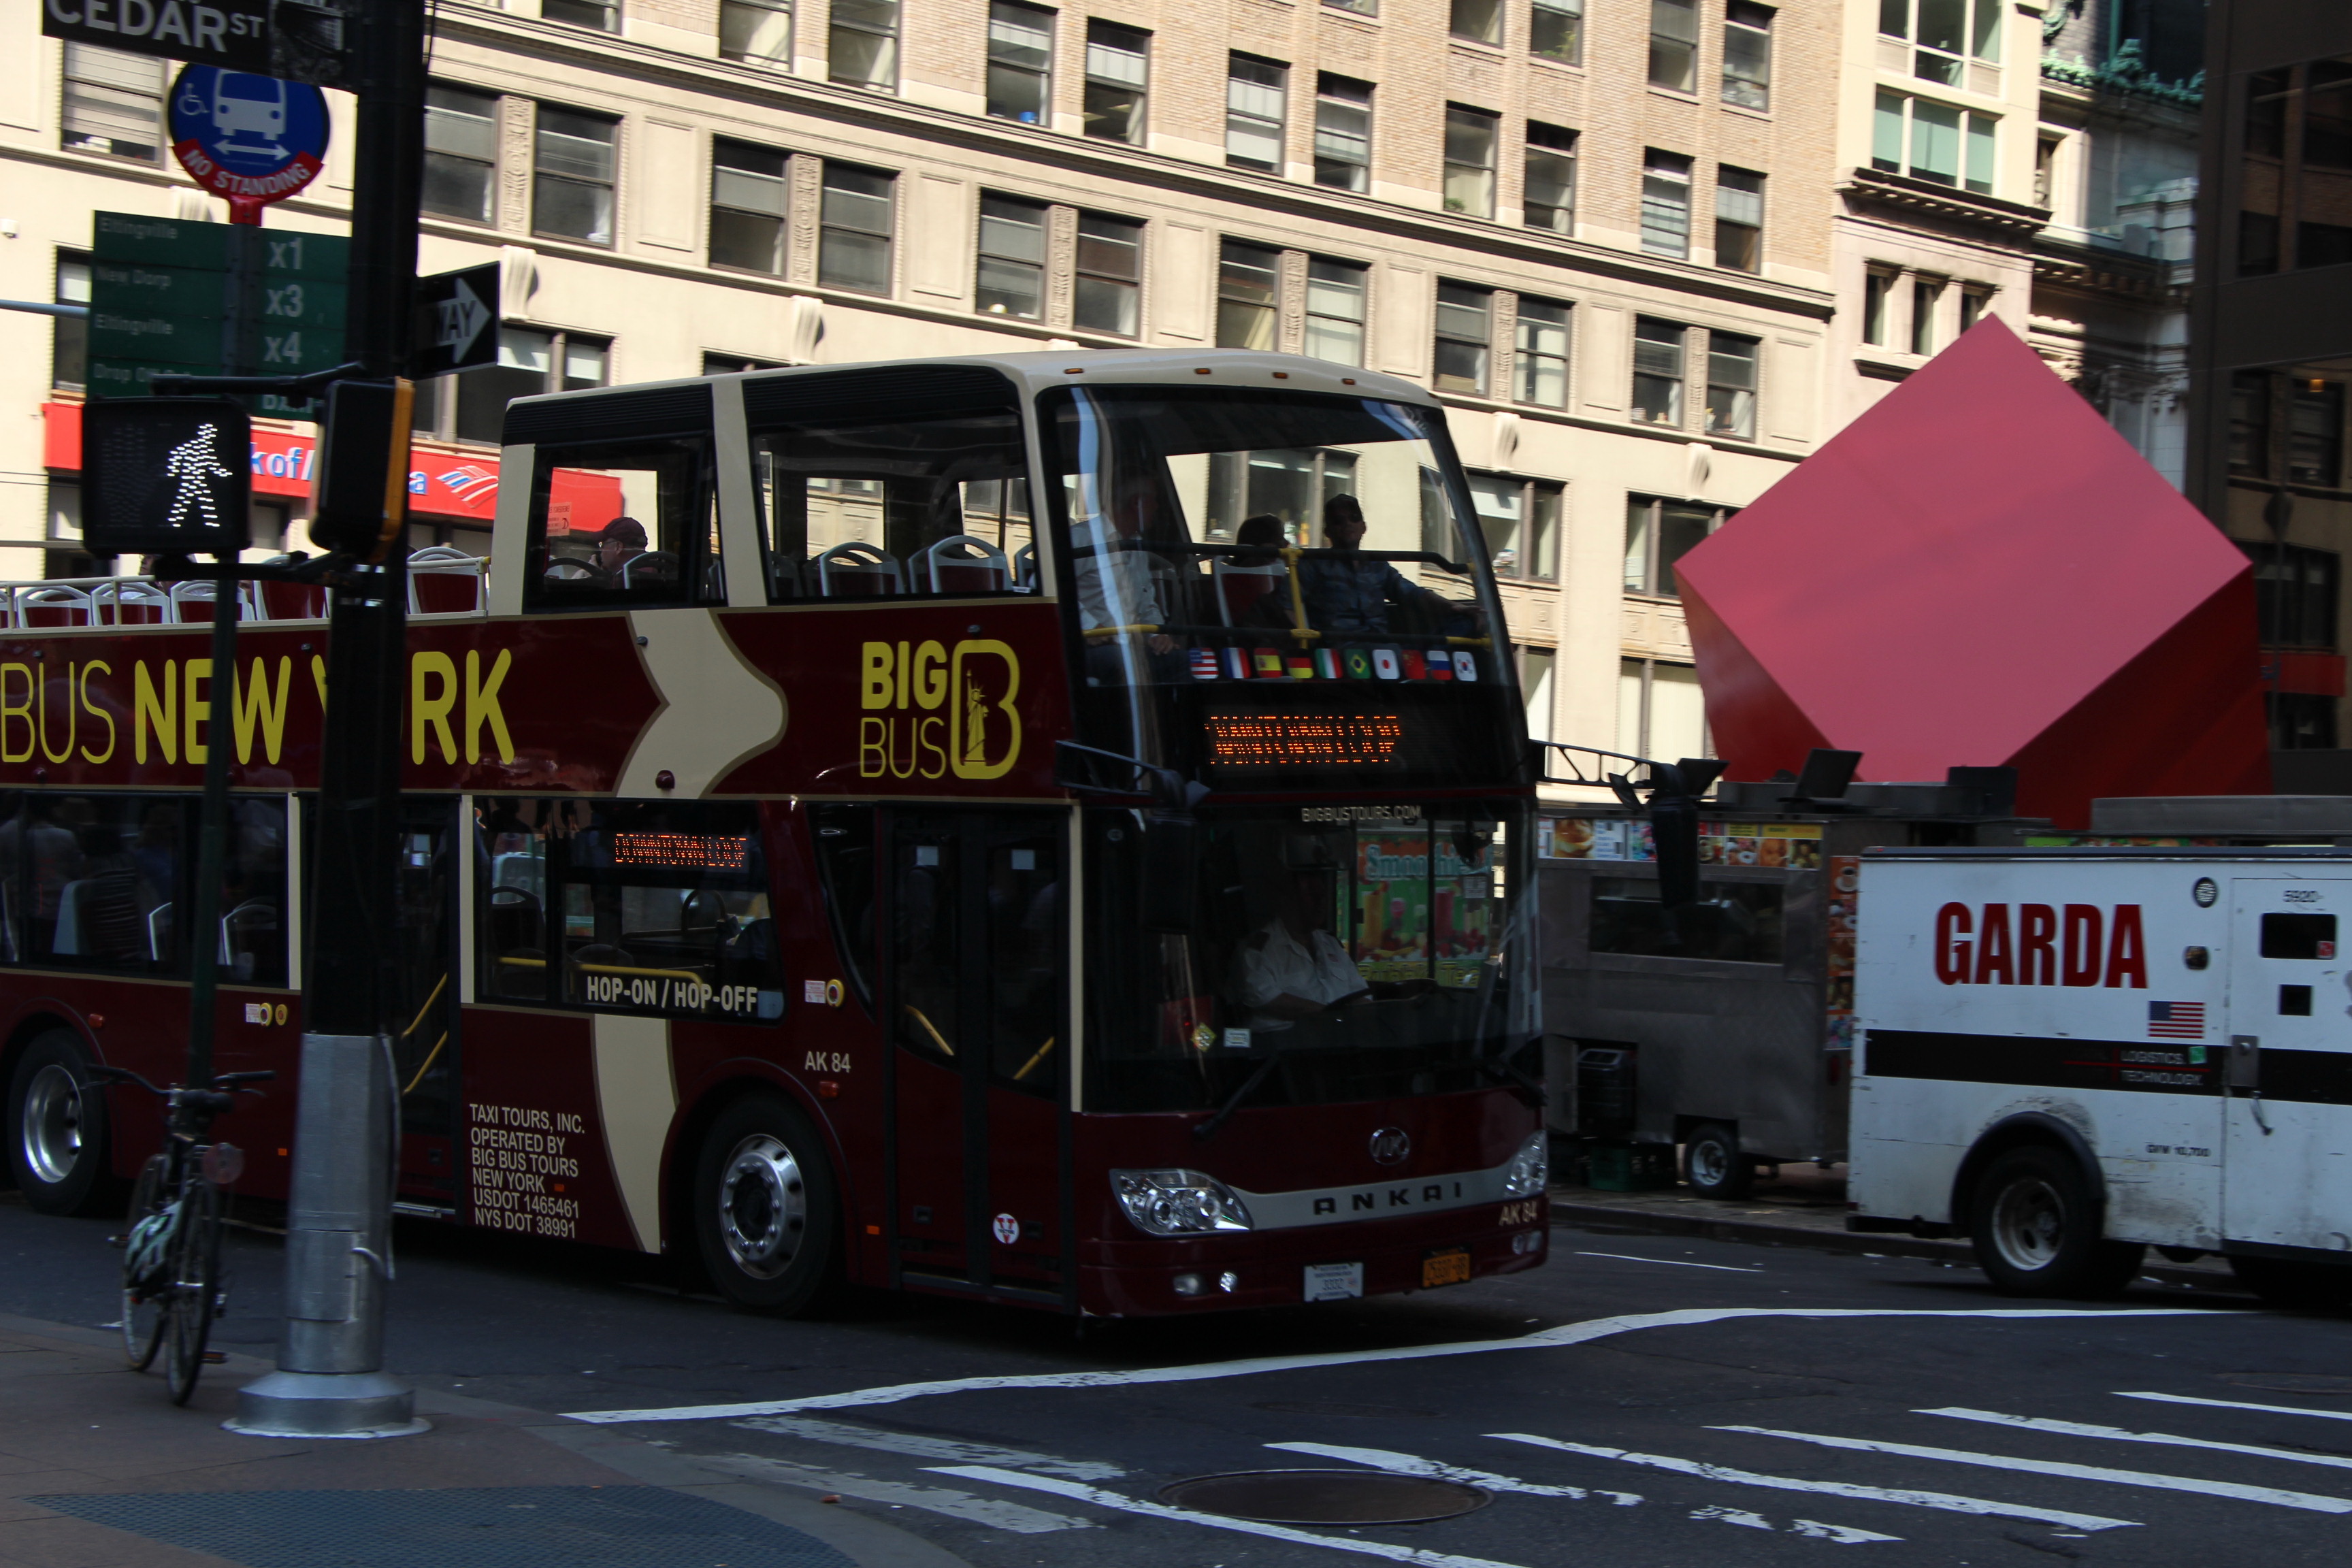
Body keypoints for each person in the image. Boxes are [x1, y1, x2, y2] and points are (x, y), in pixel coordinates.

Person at [1230, 845, 1371, 1030]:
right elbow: (1267, 999)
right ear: (1288, 898)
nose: (1320, 902)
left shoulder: (1330, 943)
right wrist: (1333, 1018)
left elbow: (1360, 994)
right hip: (1288, 1049)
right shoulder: (1258, 949)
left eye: (1322, 895)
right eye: (1312, 895)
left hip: (1340, 1042)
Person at [1295, 493, 1457, 636]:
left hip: (1381, 650)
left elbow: (1412, 593)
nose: (1348, 524)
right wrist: (1309, 645)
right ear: (1328, 532)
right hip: (1335, 652)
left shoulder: (1378, 566)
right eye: (1338, 520)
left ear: (1364, 527)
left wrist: (1454, 607)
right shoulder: (1313, 564)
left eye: (1354, 517)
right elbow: (1288, 606)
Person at [593, 516, 650, 583]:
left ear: (618, 547)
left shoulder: (626, 580)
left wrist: (593, 578)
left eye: (603, 545)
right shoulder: (657, 569)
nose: (601, 550)